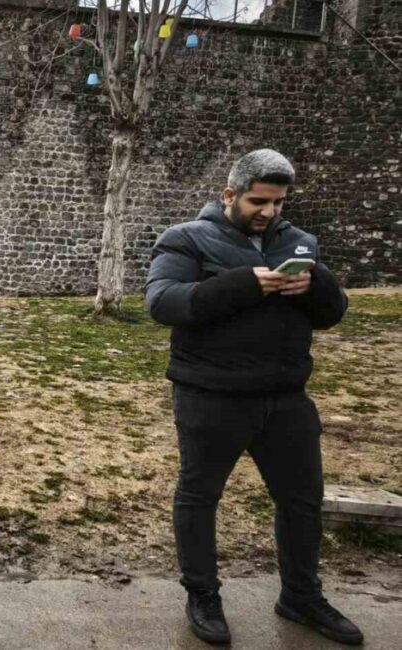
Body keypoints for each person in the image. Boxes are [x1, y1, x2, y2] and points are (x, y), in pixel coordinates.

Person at [144, 149, 361, 645]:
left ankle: (302, 597)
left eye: (278, 203)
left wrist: (314, 283)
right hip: (211, 395)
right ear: (230, 195)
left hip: (286, 398)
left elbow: (331, 314)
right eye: (258, 201)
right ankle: (203, 596)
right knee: (200, 499)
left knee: (302, 502)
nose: (268, 212)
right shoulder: (186, 239)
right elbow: (163, 302)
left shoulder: (301, 243)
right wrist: (246, 283)